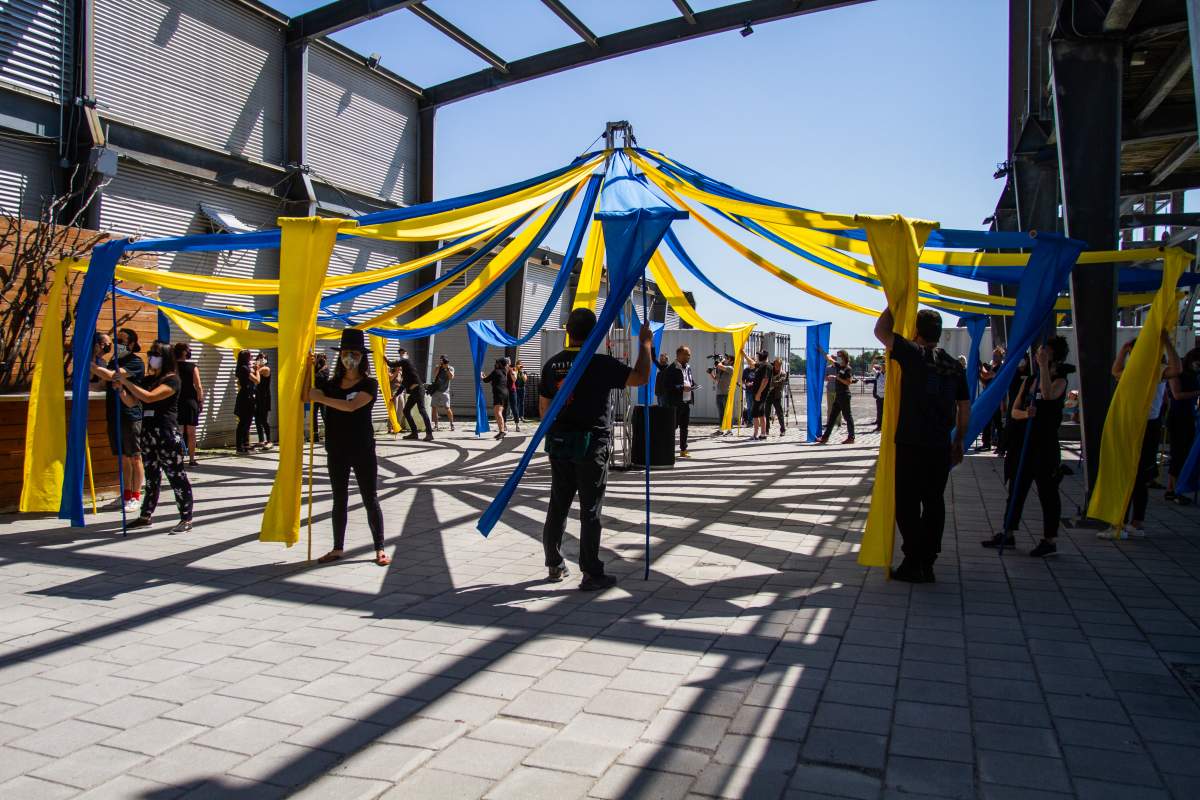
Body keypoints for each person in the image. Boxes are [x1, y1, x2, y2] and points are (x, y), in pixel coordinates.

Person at [540, 308, 652, 590]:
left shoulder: (552, 365)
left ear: (568, 332)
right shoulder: (600, 363)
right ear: (595, 334)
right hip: (592, 444)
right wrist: (645, 345)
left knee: (558, 504)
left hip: (560, 443)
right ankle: (591, 571)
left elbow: (544, 410)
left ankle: (554, 563)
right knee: (590, 509)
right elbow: (640, 377)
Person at [874, 308, 970, 583]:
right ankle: (928, 560)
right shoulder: (954, 366)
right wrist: (959, 440)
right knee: (933, 502)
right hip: (939, 444)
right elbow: (964, 407)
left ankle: (913, 559)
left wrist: (895, 303)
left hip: (912, 442)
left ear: (916, 331)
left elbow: (881, 331)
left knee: (906, 503)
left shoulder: (914, 353)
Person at [982, 336, 1072, 557]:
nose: (1039, 354)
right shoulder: (1029, 379)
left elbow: (1048, 395)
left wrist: (1044, 367)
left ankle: (1049, 539)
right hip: (1024, 443)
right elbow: (1014, 411)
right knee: (1017, 489)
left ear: (1054, 355)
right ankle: (1008, 532)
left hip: (1045, 445)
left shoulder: (1060, 380)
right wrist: (1025, 414)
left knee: (1047, 492)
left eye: (1045, 350)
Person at [308, 329, 389, 566]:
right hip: (336, 448)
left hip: (362, 448)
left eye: (354, 353)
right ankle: (337, 548)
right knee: (339, 498)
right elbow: (306, 394)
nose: (349, 358)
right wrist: (307, 370)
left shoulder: (369, 383)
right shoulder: (331, 383)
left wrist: (321, 398)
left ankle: (380, 548)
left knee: (369, 498)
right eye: (345, 353)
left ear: (362, 357)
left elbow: (352, 406)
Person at [113, 341, 193, 533]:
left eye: (156, 354)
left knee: (176, 477)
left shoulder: (172, 380)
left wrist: (126, 382)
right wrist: (121, 389)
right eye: (150, 353)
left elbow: (149, 397)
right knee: (151, 478)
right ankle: (145, 515)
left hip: (166, 434)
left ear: (166, 357)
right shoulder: (149, 379)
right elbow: (132, 402)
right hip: (148, 434)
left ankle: (186, 518)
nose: (151, 357)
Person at [1106, 336, 1182, 538]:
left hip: (1145, 426)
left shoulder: (1155, 369)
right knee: (1133, 476)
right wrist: (1123, 350)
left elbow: (1177, 369)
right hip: (1135, 424)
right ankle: (1129, 522)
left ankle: (1127, 523)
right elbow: (1115, 371)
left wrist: (1167, 343)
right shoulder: (1136, 370)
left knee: (1136, 476)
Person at [90, 328, 145, 512]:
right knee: (124, 458)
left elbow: (113, 376)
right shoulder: (114, 361)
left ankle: (136, 496)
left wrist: (90, 364)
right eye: (116, 340)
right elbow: (101, 382)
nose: (118, 344)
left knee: (134, 456)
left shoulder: (135, 362)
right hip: (114, 413)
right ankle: (126, 494)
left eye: (122, 341)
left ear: (132, 344)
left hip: (130, 414)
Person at [1166, 347, 1200, 505]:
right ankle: (1174, 489)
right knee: (1178, 453)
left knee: (1183, 454)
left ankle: (1172, 488)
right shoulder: (1176, 373)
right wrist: (1197, 393)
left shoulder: (1193, 374)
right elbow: (1177, 395)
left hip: (1188, 416)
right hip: (1178, 417)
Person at [173, 343, 204, 467]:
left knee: (178, 432)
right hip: (191, 401)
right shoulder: (192, 367)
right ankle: (191, 459)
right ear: (185, 352)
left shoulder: (172, 367)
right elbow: (198, 386)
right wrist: (200, 400)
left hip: (176, 400)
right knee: (191, 432)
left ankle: (179, 458)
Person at [663, 346, 695, 458]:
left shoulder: (688, 367)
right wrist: (682, 387)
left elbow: (689, 380)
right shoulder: (671, 369)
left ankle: (683, 449)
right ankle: (668, 450)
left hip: (686, 402)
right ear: (679, 355)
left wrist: (693, 385)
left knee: (684, 427)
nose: (689, 357)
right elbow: (667, 386)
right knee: (672, 427)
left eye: (689, 354)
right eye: (687, 354)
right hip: (675, 403)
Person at [817, 350, 856, 444]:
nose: (837, 358)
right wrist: (821, 350)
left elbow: (848, 382)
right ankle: (825, 437)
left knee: (847, 417)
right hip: (839, 395)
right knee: (832, 417)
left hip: (844, 395)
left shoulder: (847, 369)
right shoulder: (839, 366)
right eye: (837, 356)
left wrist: (837, 378)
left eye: (839, 356)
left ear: (844, 357)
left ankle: (851, 437)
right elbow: (829, 359)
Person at [396, 349, 433, 441]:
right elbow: (402, 386)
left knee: (422, 411)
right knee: (406, 411)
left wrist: (386, 360)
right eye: (400, 354)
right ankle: (414, 433)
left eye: (403, 353)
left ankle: (429, 433)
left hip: (418, 390)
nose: (401, 355)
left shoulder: (409, 365)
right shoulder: (404, 372)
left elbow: (394, 364)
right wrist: (395, 396)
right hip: (413, 393)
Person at [978, 347, 1004, 450]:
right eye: (994, 355)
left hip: (995, 398)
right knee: (987, 421)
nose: (994, 357)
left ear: (1001, 357)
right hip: (989, 397)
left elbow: (986, 376)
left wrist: (980, 367)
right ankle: (986, 443)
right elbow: (985, 381)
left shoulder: (1000, 368)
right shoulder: (993, 367)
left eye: (996, 356)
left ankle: (1001, 446)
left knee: (997, 423)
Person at [233, 350, 257, 454]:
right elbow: (257, 380)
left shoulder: (240, 368)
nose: (251, 358)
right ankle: (240, 446)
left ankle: (244, 444)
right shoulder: (245, 368)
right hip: (246, 397)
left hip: (244, 395)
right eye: (250, 356)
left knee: (245, 422)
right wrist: (257, 371)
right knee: (244, 422)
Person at [483, 357, 510, 440]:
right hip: (505, 393)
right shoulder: (503, 372)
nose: (495, 364)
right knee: (498, 412)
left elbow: (486, 380)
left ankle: (502, 431)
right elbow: (494, 381)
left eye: (497, 363)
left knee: (498, 413)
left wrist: (481, 376)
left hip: (499, 394)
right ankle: (501, 431)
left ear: (500, 364)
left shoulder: (496, 371)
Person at [708, 354, 733, 434]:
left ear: (731, 361)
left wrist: (720, 360)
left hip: (726, 393)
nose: (725, 359)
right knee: (721, 413)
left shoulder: (730, 368)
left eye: (727, 358)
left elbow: (719, 365)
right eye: (725, 358)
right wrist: (710, 373)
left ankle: (729, 430)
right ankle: (721, 430)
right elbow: (716, 379)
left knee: (727, 412)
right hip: (719, 393)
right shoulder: (721, 370)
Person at [429, 355, 455, 431]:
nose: (443, 362)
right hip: (436, 390)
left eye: (443, 361)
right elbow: (435, 375)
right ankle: (436, 425)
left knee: (447, 408)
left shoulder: (450, 368)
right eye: (441, 360)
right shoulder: (438, 367)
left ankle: (452, 424)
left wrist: (446, 369)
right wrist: (439, 366)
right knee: (434, 407)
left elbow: (451, 377)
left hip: (445, 391)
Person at [253, 352, 272, 449]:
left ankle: (269, 440)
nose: (260, 360)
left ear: (266, 360)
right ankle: (261, 440)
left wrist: (254, 368)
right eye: (259, 358)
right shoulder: (257, 368)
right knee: (257, 419)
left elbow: (256, 373)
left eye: (262, 358)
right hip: (258, 396)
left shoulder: (266, 369)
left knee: (264, 420)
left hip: (265, 397)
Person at [766, 357, 789, 436]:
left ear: (781, 365)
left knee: (780, 413)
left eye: (778, 365)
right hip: (768, 395)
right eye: (775, 365)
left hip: (777, 395)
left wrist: (771, 383)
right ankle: (766, 429)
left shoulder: (783, 373)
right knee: (767, 413)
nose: (777, 366)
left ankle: (782, 429)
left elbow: (780, 383)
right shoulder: (770, 371)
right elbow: (766, 380)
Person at [390, 349, 408, 433]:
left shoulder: (402, 372)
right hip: (394, 390)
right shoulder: (392, 370)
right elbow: (390, 379)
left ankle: (398, 426)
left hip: (400, 391)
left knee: (401, 408)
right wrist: (396, 372)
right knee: (394, 408)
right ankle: (391, 426)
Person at [505, 360, 521, 431]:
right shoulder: (503, 370)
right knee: (504, 408)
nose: (507, 365)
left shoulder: (513, 369)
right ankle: (504, 425)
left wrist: (511, 371)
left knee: (514, 407)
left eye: (507, 363)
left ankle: (517, 425)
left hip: (512, 391)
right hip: (505, 391)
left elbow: (514, 379)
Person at [869, 360, 885, 432]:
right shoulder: (878, 374)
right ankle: (879, 426)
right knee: (879, 412)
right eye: (882, 366)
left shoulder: (889, 374)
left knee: (885, 412)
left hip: (886, 397)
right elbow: (871, 368)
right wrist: (873, 361)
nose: (883, 367)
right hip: (879, 396)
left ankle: (885, 426)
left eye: (885, 366)